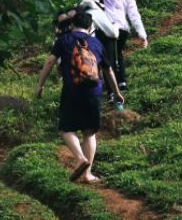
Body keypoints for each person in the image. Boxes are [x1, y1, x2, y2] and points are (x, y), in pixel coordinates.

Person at [35, 9, 124, 183]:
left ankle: (79, 158)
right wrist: (116, 93)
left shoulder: (64, 40)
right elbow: (108, 70)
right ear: (90, 27)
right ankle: (87, 174)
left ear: (73, 24)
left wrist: (40, 85)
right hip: (93, 92)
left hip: (71, 90)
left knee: (66, 129)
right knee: (89, 133)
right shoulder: (97, 44)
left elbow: (50, 61)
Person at [89, 0, 147, 91]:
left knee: (107, 58)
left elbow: (89, 2)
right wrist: (142, 34)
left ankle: (111, 92)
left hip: (103, 27)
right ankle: (122, 83)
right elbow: (134, 15)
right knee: (118, 54)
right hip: (121, 29)